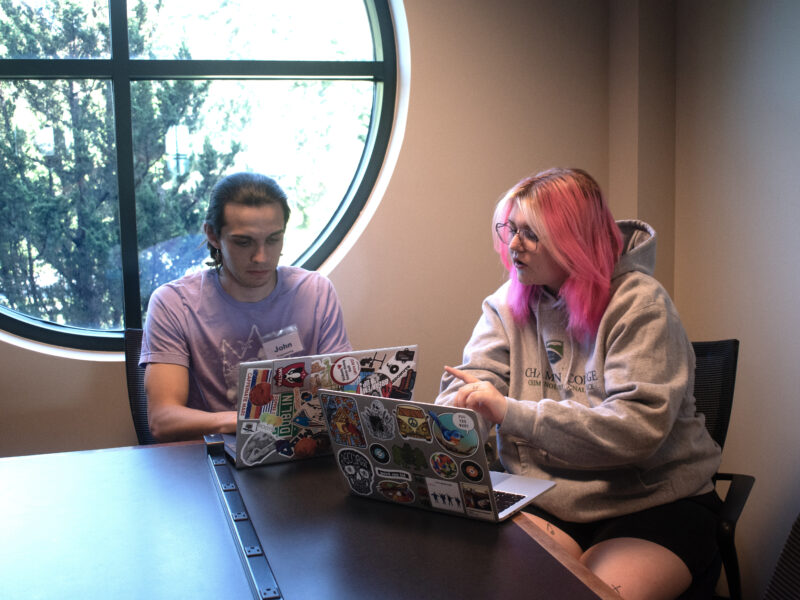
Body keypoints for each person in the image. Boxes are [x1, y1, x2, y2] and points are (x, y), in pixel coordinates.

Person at [436, 168, 721, 600]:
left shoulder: (640, 303)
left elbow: (636, 430)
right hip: (544, 495)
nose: (513, 245)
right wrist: (461, 416)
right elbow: (474, 382)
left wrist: (510, 412)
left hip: (651, 500)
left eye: (531, 234)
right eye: (511, 229)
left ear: (574, 240)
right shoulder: (504, 303)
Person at [141, 172, 351, 442]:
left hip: (301, 449)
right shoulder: (174, 303)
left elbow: (340, 393)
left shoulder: (315, 292)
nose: (261, 257)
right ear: (213, 236)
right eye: (243, 242)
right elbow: (162, 419)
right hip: (217, 453)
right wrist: (257, 422)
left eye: (273, 239)